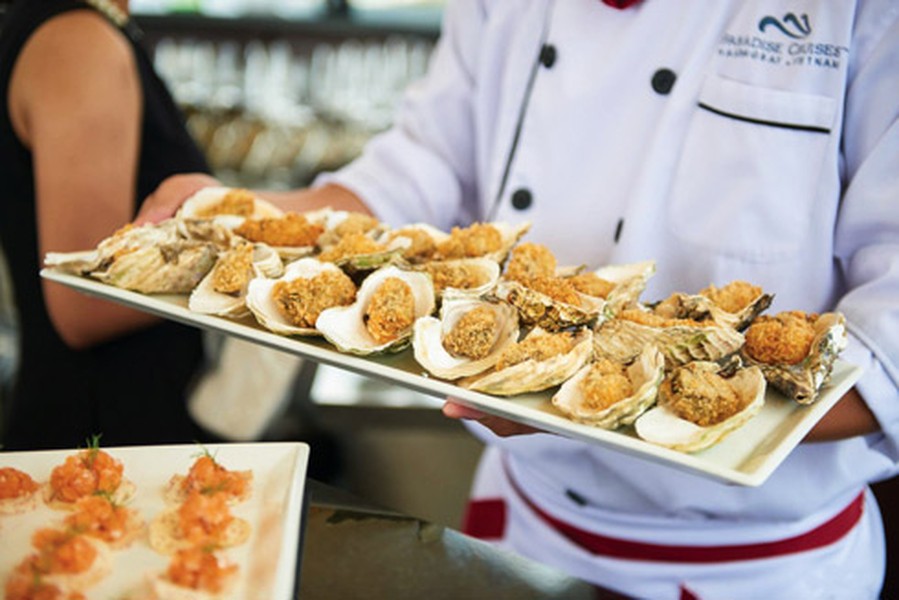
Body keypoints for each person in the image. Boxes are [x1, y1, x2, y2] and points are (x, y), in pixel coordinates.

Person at [139, 1, 899, 597]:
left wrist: (600, 397)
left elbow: (890, 334)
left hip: (759, 569)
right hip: (520, 534)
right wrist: (247, 215)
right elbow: (420, 167)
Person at [0, 0, 218, 450]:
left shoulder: (68, 27)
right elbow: (85, 301)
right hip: (103, 427)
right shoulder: (80, 44)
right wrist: (242, 269)